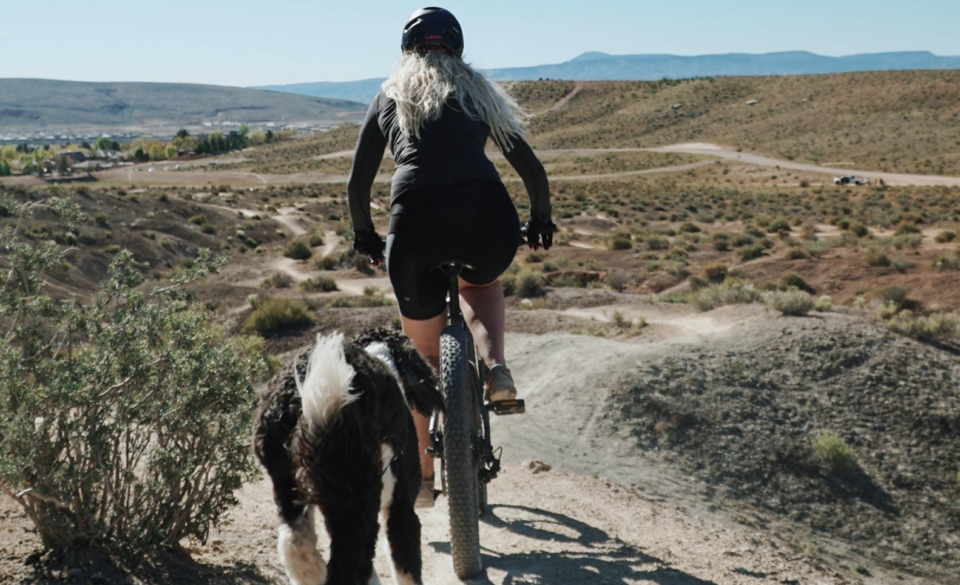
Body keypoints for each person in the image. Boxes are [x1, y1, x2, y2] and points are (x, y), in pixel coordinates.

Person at [347, 7, 555, 507]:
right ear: (457, 46)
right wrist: (540, 222)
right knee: (480, 285)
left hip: (414, 224)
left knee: (421, 359)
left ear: (407, 47)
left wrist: (367, 238)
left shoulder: (390, 93)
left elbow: (357, 183)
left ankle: (419, 478)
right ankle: (497, 369)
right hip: (487, 217)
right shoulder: (478, 91)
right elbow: (530, 167)